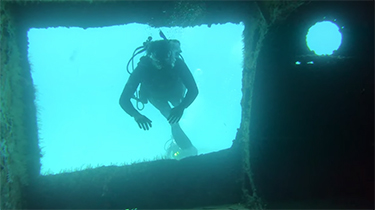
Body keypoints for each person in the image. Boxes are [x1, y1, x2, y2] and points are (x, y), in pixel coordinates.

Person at [119, 38, 199, 160]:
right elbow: (123, 99)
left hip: (175, 92)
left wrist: (181, 107)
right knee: (173, 122)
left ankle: (186, 147)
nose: (163, 64)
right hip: (155, 97)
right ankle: (189, 150)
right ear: (151, 57)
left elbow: (193, 90)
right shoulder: (142, 68)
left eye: (166, 59)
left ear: (171, 55)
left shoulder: (177, 63)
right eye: (159, 61)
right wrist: (136, 115)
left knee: (175, 117)